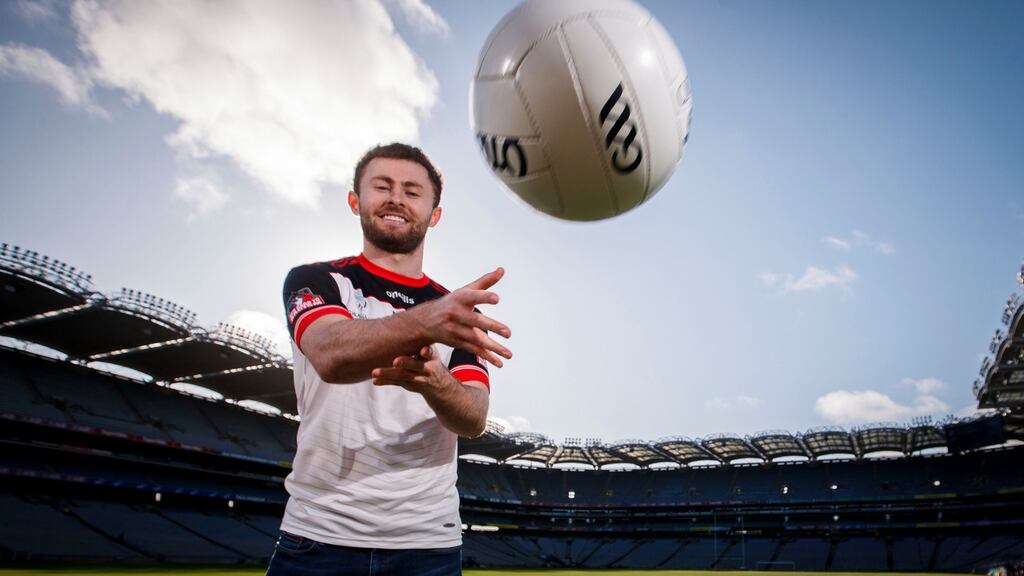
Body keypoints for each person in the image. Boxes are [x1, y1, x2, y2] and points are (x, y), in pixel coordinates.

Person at [266, 143, 512, 575]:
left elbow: (473, 418)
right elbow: (329, 354)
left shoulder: (457, 313)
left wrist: (437, 382)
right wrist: (425, 323)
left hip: (427, 544)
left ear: (434, 214)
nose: (396, 198)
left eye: (413, 191)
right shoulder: (317, 280)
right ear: (355, 201)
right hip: (318, 535)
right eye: (382, 186)